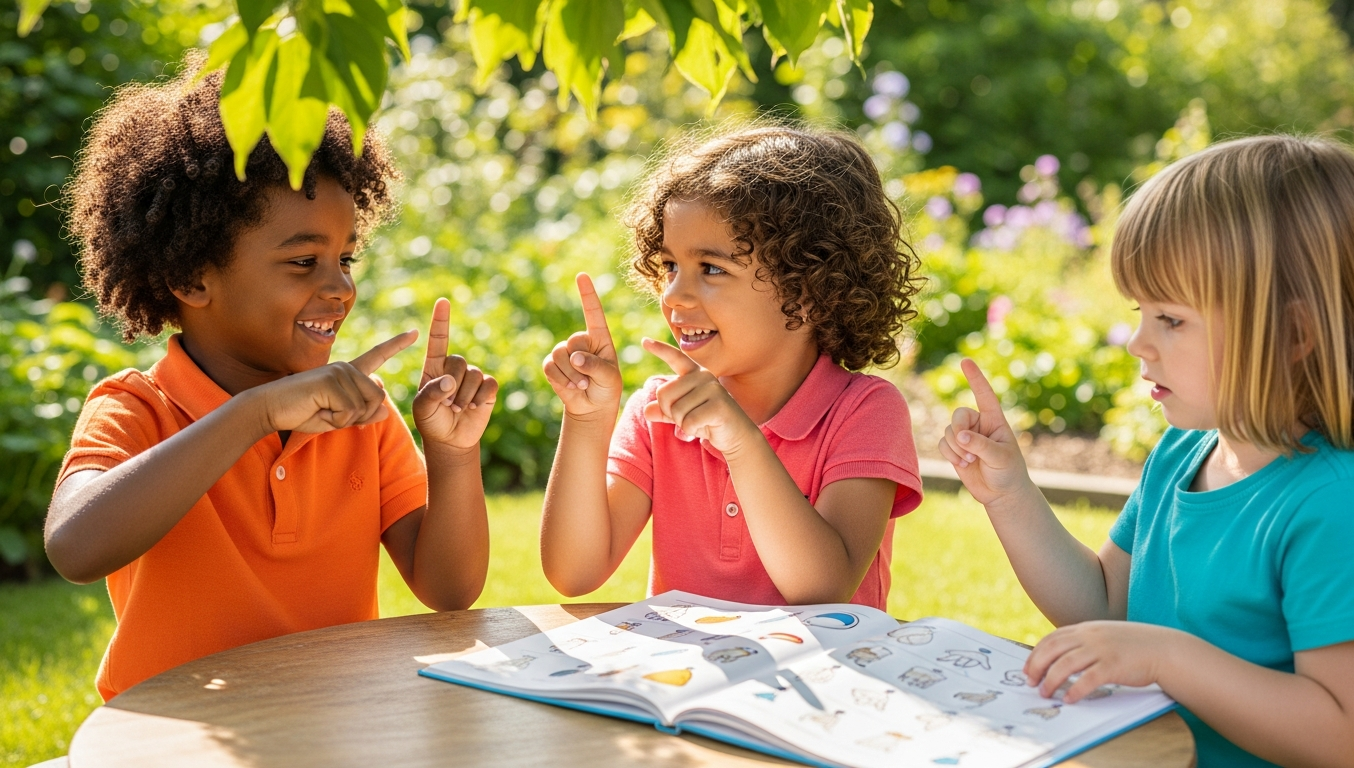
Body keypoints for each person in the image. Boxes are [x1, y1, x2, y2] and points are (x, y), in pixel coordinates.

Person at [941, 135, 1354, 767]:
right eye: (1140, 312)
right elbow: (1104, 602)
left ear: (1294, 334)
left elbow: (1340, 737)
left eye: (1172, 320)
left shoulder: (1341, 505)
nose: (1138, 342)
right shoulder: (1182, 452)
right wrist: (1009, 495)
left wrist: (1165, 656)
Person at [45, 54, 497, 701]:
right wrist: (254, 413)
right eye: (304, 260)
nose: (341, 286)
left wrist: (453, 455)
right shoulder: (136, 409)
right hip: (168, 743)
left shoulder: (360, 416)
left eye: (345, 257)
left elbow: (450, 590)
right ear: (192, 277)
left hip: (331, 729)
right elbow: (75, 547)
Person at [540, 125, 925, 610]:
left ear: (808, 290)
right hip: (690, 684)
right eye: (670, 265)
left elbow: (824, 589)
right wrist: (586, 420)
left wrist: (741, 443)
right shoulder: (658, 413)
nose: (673, 294)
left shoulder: (865, 411)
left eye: (712, 269)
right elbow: (573, 573)